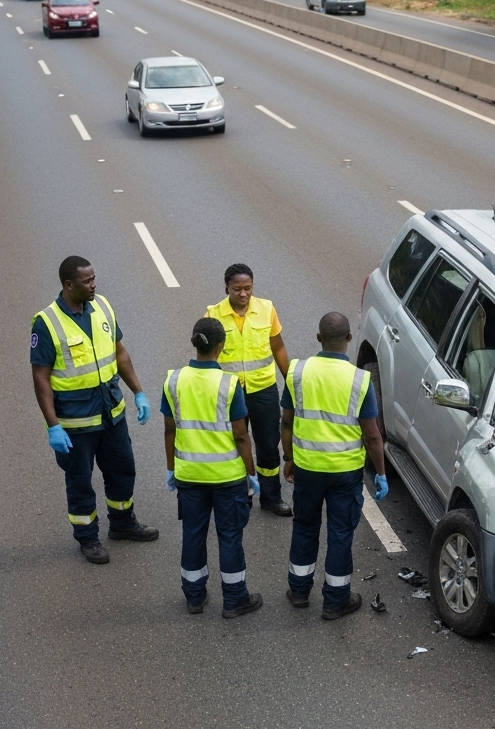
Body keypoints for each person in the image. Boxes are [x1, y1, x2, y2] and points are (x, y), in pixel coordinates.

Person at [31, 256, 157, 564]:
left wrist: (138, 392)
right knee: (80, 481)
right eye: (87, 281)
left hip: (111, 412)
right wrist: (52, 425)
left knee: (122, 469)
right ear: (68, 284)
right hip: (75, 423)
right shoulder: (46, 322)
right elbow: (40, 377)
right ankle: (87, 537)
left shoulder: (102, 306)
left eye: (94, 278)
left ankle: (123, 523)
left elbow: (120, 352)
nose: (94, 284)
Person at [281, 312, 388, 620]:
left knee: (304, 527)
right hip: (344, 473)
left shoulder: (298, 373)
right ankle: (336, 600)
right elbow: (372, 434)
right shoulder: (359, 379)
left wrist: (289, 457)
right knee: (340, 533)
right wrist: (380, 474)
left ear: (318, 338)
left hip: (307, 468)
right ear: (349, 339)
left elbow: (286, 422)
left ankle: (299, 592)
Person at [162, 318, 263, 618]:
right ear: (221, 346)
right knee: (229, 536)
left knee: (193, 533)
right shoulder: (230, 384)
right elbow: (241, 435)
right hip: (227, 477)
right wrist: (251, 473)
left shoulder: (174, 380)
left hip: (189, 475)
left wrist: (171, 468)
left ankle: (194, 597)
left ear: (195, 342)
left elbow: (169, 430)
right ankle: (234, 600)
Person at [205, 264, 293, 517]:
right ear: (227, 288)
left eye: (247, 288)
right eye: (237, 289)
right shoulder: (213, 315)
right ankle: (240, 494)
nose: (243, 294)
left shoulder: (266, 309)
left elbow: (278, 348)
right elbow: (209, 357)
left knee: (268, 444)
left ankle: (271, 497)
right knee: (235, 443)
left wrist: (291, 381)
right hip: (230, 393)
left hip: (263, 389)